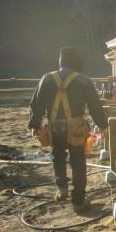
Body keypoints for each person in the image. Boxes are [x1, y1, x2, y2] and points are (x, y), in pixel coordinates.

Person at [28, 47, 108, 212]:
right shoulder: (84, 80)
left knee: (57, 156)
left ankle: (62, 188)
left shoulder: (47, 79)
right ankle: (78, 201)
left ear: (61, 61)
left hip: (55, 127)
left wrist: (34, 124)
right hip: (76, 127)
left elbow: (37, 104)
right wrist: (103, 125)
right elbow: (95, 106)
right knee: (78, 163)